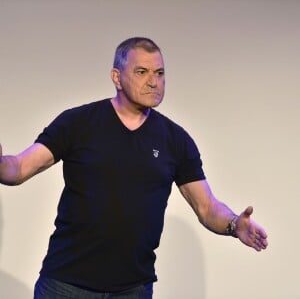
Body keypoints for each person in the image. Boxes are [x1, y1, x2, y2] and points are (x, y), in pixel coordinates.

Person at [0, 37, 268, 299]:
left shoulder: (175, 140)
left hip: (133, 289)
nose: (154, 82)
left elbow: (207, 207)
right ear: (117, 77)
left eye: (160, 73)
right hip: (66, 285)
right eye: (142, 72)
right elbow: (19, 167)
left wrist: (234, 225)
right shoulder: (78, 123)